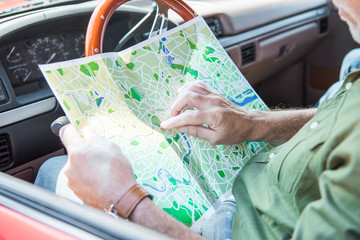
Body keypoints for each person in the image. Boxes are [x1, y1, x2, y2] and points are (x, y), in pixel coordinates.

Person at [35, 0, 360, 239]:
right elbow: (334, 119)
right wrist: (253, 123)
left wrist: (125, 201)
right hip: (260, 188)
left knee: (51, 172)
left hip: (242, 228)